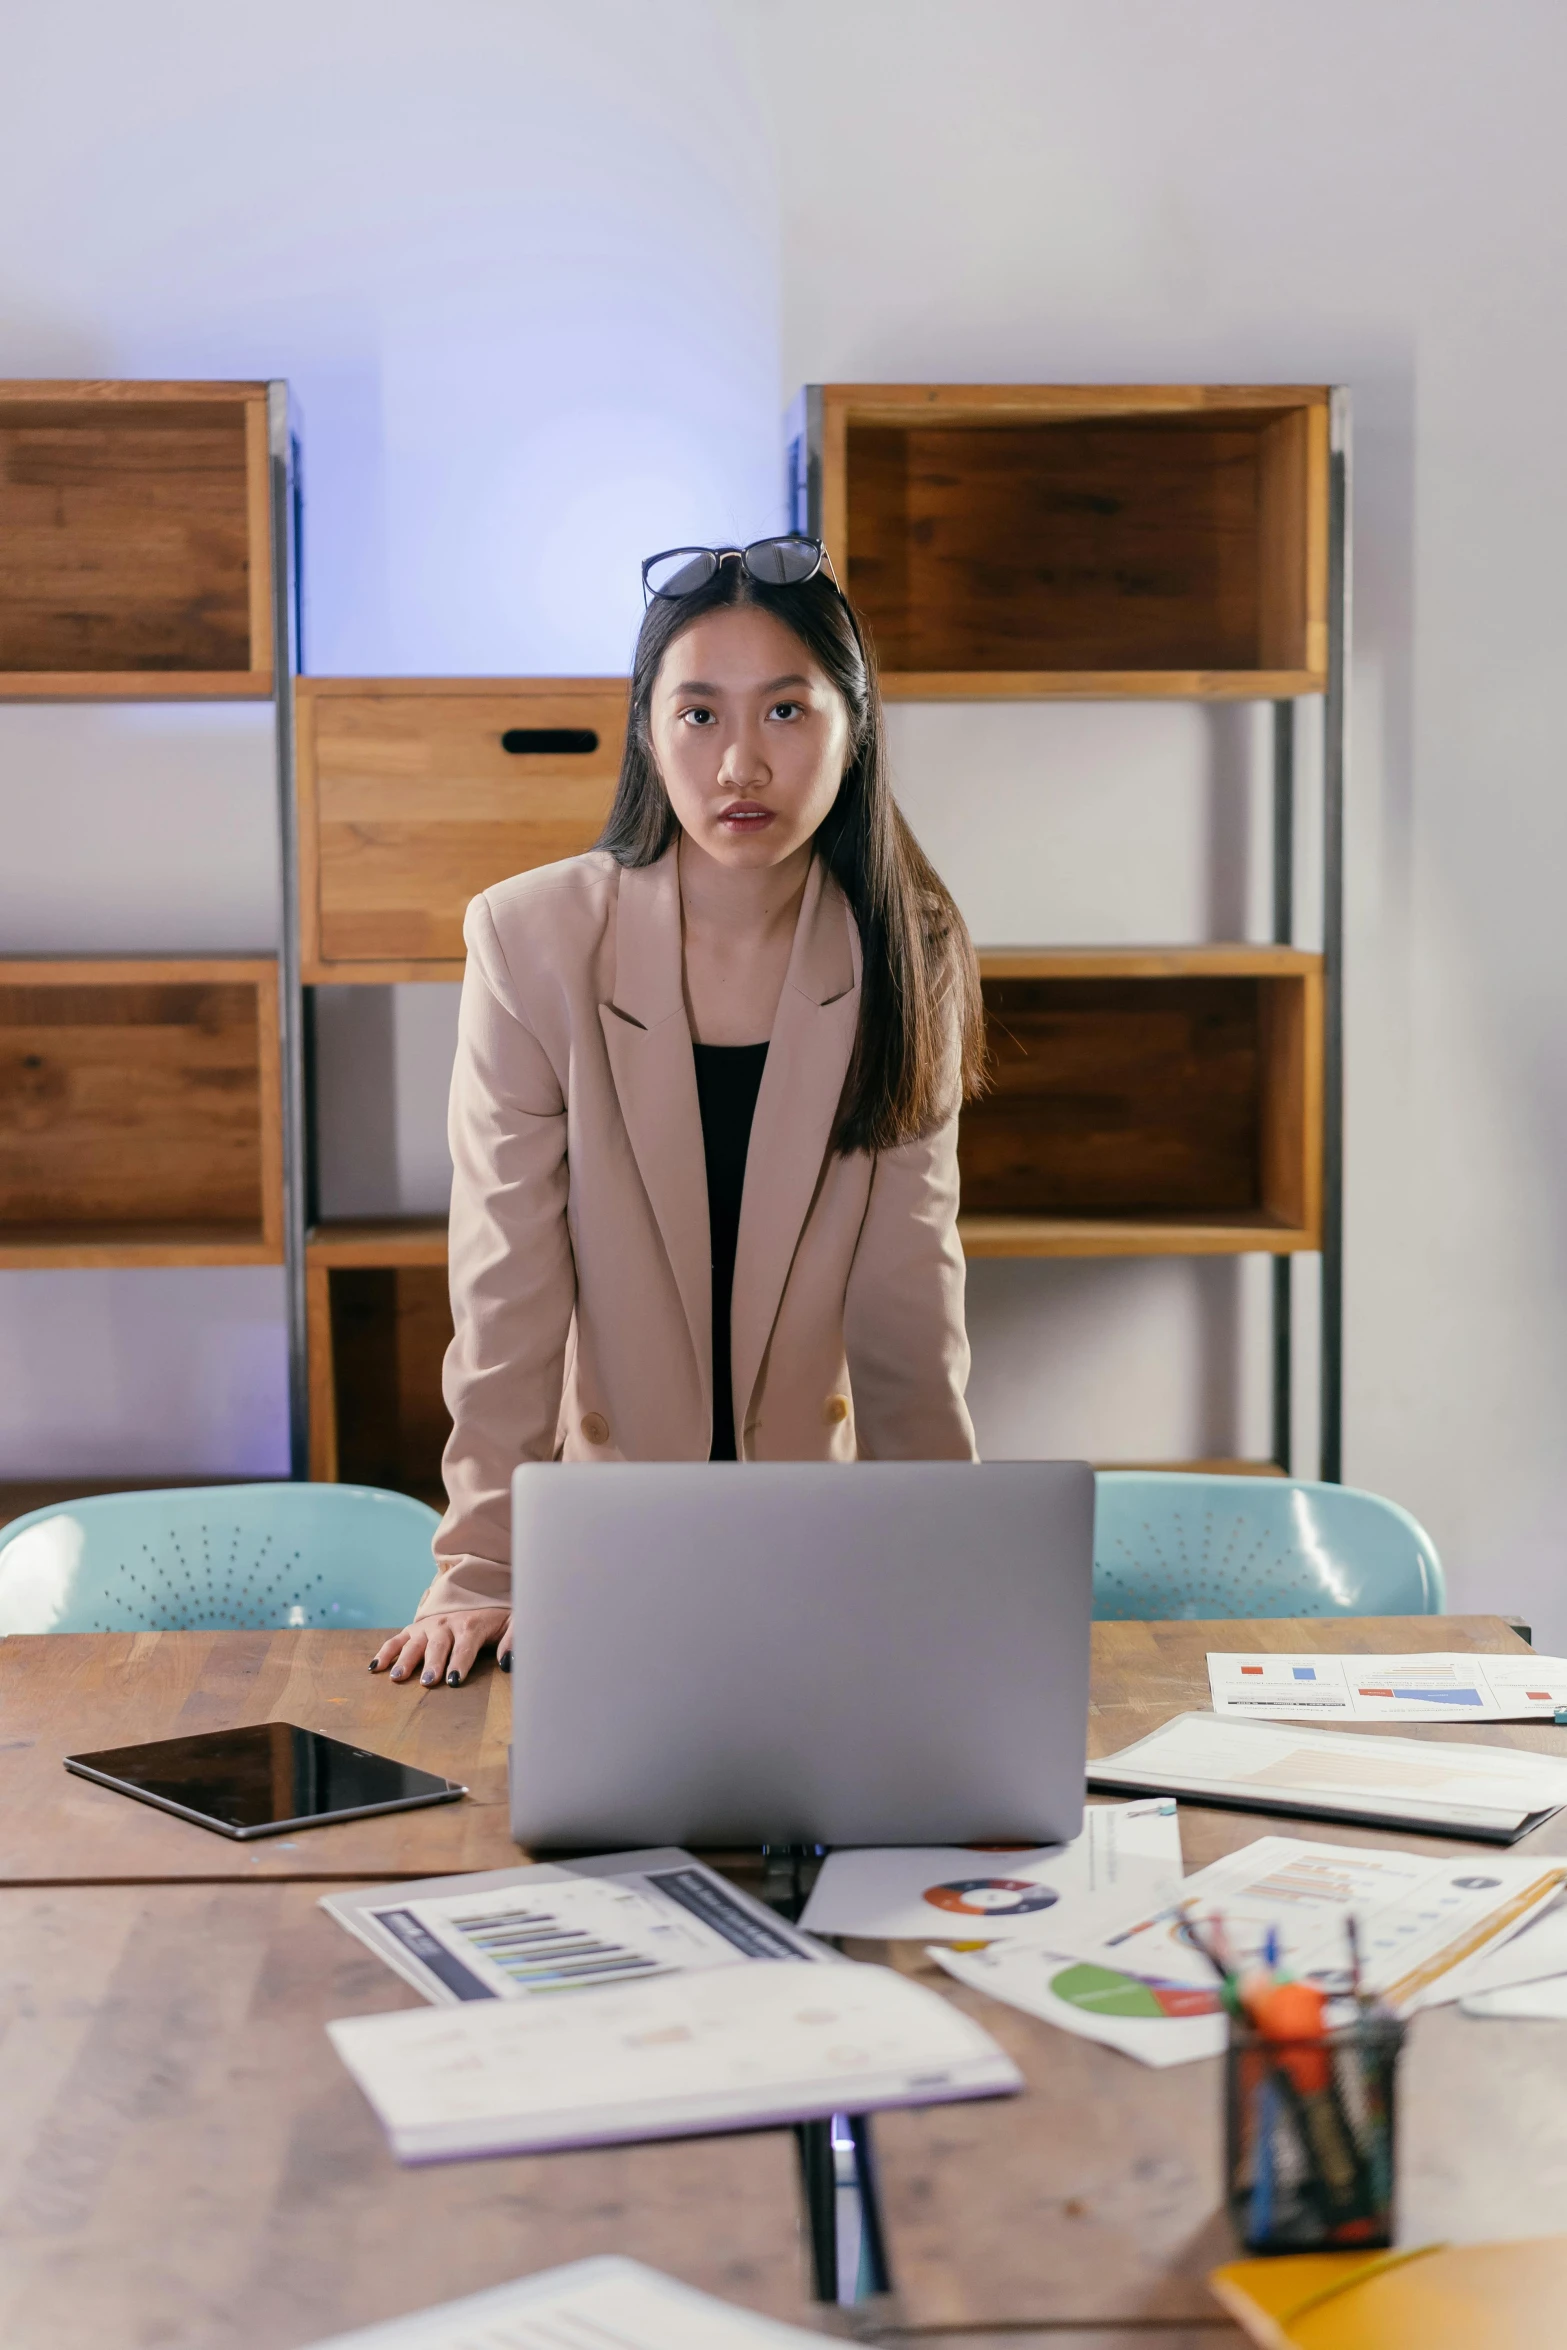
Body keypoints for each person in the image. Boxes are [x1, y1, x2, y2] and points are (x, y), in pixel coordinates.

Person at [371, 534, 987, 1690]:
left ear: (854, 733)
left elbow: (912, 1304)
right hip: (604, 1558)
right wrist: (480, 1568)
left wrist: (945, 1572)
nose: (739, 763)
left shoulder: (911, 948)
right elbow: (507, 1288)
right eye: (698, 714)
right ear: (647, 733)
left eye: (787, 713)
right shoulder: (530, 937)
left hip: (814, 1552)